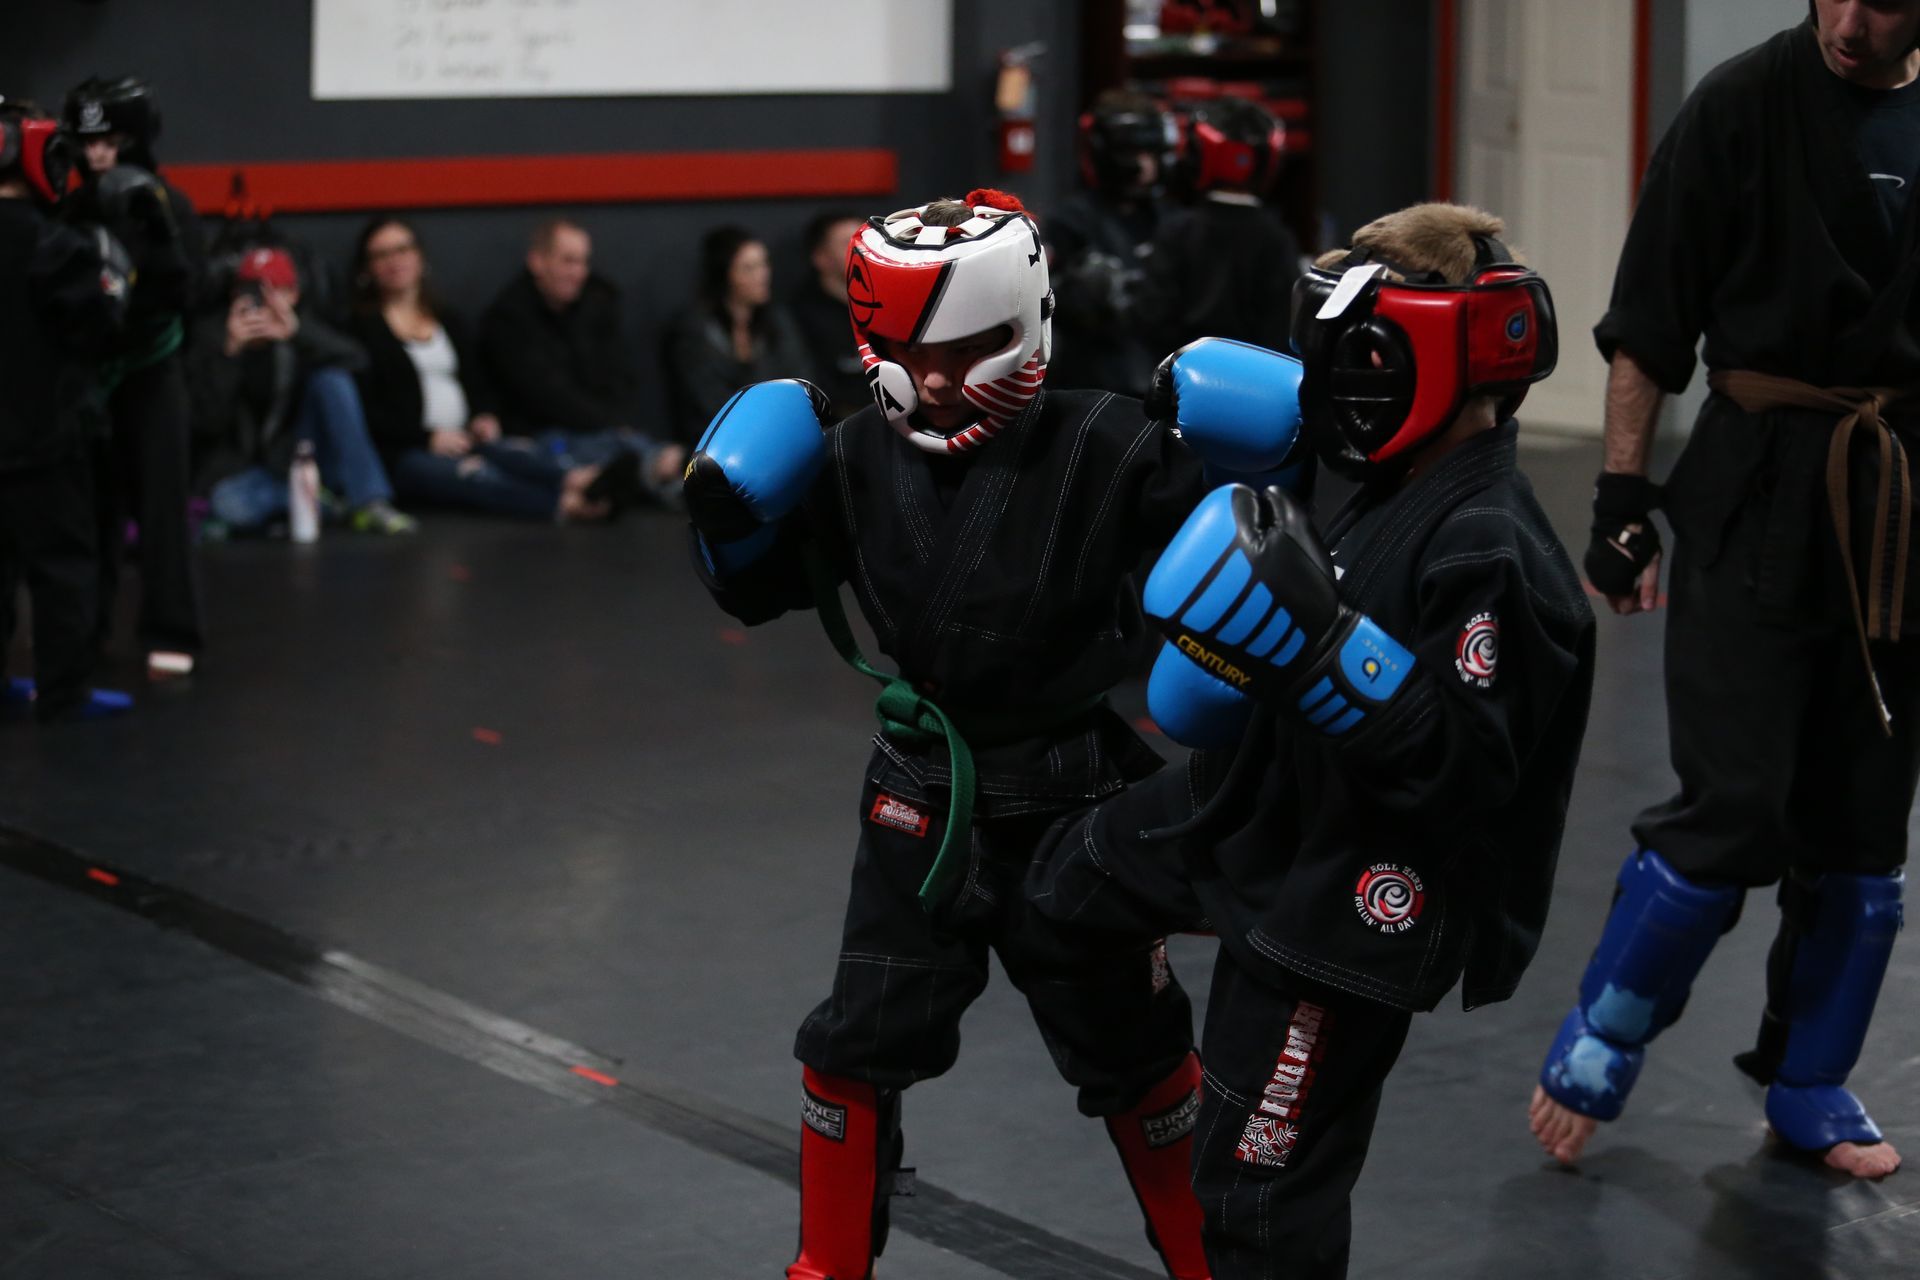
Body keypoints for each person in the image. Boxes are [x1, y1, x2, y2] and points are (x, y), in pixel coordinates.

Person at [682, 191, 1242, 1280]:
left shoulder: (1108, 439)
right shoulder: (845, 455)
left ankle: (1208, 1265)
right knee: (851, 1046)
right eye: (904, 351)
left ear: (1030, 317)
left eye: (965, 348)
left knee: (1142, 1058)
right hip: (922, 795)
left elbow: (1234, 561)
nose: (934, 379)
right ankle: (824, 1268)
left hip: (1078, 801)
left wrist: (1273, 471)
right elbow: (759, 599)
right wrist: (726, 525)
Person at [1028, 204, 1594, 1279]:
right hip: (1268, 806)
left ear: (1398, 358)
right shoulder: (1381, 474)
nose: (1323, 382)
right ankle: (1186, 1110)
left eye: (1348, 358)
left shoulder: (1492, 550)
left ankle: (1236, 1125)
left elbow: (1469, 777)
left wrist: (1329, 651)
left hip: (1353, 898)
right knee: (1064, 889)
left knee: (1258, 1194)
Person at [1530, 0, 1920, 1183]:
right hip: (1756, 492)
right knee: (1738, 803)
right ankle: (1601, 1039)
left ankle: (1809, 1077)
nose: (1852, 19)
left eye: (1886, 0)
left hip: (1901, 506)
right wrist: (1618, 501)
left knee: (1864, 822)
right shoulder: (1740, 106)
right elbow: (1652, 321)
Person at [347, 217, 633, 523]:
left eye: (402, 249)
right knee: (475, 476)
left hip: (465, 437)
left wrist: (484, 416)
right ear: (367, 268)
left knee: (515, 455)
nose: (395, 261)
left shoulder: (446, 320)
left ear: (419, 256)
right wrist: (427, 437)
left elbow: (476, 380)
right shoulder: (361, 329)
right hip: (408, 451)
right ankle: (567, 504)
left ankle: (581, 480)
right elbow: (367, 411)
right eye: (382, 254)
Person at [63, 74, 205, 679]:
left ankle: (171, 628)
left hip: (151, 368)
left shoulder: (171, 205)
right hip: (87, 372)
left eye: (112, 141)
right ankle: (81, 634)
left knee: (161, 505)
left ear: (137, 139)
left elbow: (188, 296)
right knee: (84, 511)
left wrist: (159, 239)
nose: (98, 155)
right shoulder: (67, 209)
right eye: (88, 142)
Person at [0, 98, 134, 720]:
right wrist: (115, 287)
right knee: (61, 568)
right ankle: (63, 695)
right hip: (43, 437)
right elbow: (99, 333)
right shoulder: (55, 244)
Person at [188, 247, 415, 537]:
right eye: (252, 290)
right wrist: (229, 355)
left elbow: (358, 361)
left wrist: (297, 334)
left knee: (332, 379)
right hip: (241, 473)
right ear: (235, 294)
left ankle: (368, 501)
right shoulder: (211, 336)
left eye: (274, 291)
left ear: (293, 294)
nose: (263, 302)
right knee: (228, 505)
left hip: (297, 458)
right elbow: (203, 421)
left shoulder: (301, 330)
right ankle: (324, 504)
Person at [478, 217, 683, 497]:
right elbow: (544, 395)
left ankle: (655, 470)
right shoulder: (508, 319)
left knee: (616, 445)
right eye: (568, 261)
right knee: (578, 448)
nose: (578, 272)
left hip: (603, 428)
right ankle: (658, 469)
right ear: (537, 261)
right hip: (543, 434)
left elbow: (619, 375)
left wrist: (613, 422)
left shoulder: (597, 302)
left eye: (583, 262)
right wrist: (611, 425)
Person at [1134, 95, 1302, 357]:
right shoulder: (1276, 237)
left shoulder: (1178, 230)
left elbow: (1153, 316)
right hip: (1256, 380)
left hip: (1183, 377)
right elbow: (1283, 328)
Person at [1045, 90, 1176, 397]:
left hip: (1163, 380)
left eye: (1149, 153)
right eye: (1132, 153)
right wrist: (1076, 292)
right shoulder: (1071, 221)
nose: (1143, 165)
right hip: (1095, 385)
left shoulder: (1173, 223)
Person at [662, 224, 814, 444]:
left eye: (764, 264)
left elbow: (802, 381)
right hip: (720, 442)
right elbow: (706, 401)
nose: (762, 275)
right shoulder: (695, 329)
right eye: (748, 268)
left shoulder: (778, 321)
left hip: (783, 435)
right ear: (724, 274)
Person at [787, 209, 868, 420]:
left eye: (863, 239)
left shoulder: (889, 301)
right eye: (846, 243)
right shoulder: (799, 317)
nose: (860, 248)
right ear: (821, 258)